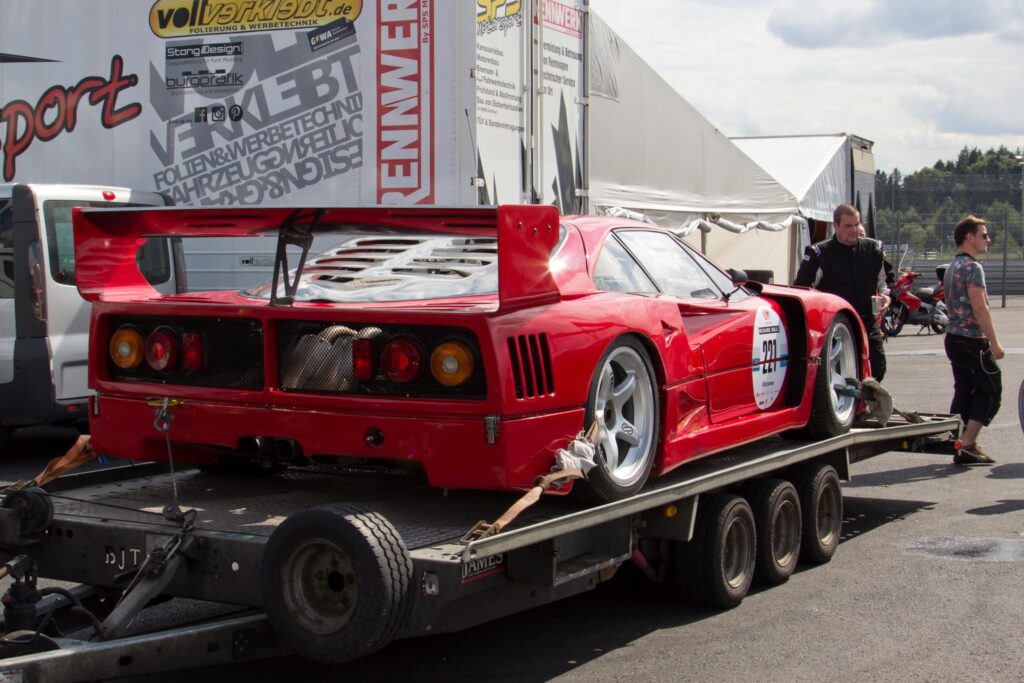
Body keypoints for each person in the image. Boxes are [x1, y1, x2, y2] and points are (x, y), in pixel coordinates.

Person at [794, 204, 890, 380]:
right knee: (840, 374)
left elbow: (885, 282)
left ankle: (867, 403)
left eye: (856, 224)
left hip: (867, 320)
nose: (854, 230)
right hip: (835, 325)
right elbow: (802, 289)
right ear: (835, 225)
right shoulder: (819, 253)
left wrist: (886, 296)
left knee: (878, 368)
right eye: (848, 226)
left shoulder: (874, 250)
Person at [943, 215, 1004, 465]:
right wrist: (994, 342)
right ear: (969, 237)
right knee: (990, 388)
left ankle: (956, 440)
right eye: (984, 235)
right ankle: (967, 444)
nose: (988, 240)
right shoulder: (972, 267)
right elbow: (980, 308)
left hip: (954, 338)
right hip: (971, 340)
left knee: (965, 389)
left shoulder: (952, 266)